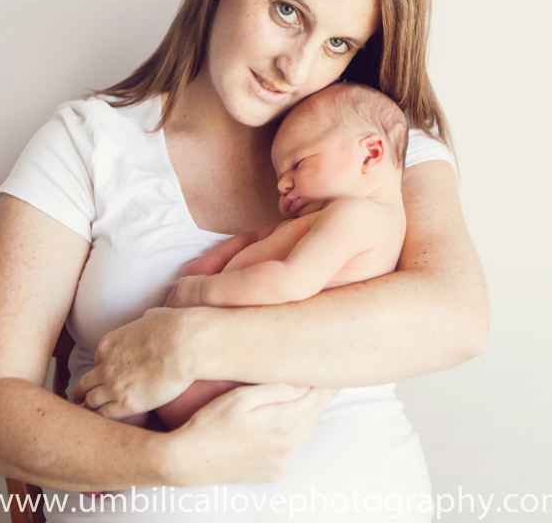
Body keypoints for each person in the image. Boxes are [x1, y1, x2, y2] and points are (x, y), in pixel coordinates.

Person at [0, 0, 489, 521]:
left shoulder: (381, 148)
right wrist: (173, 461)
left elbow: (459, 320)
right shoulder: (90, 142)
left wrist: (189, 346)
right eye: (288, 12)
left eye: (338, 45)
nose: (296, 68)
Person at [137, 81, 410, 431]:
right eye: (281, 175)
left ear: (370, 154)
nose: (282, 185)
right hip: (239, 368)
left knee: (143, 375)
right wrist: (208, 268)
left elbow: (289, 283)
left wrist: (200, 290)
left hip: (245, 376)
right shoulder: (339, 216)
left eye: (298, 163)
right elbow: (254, 241)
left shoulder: (358, 215)